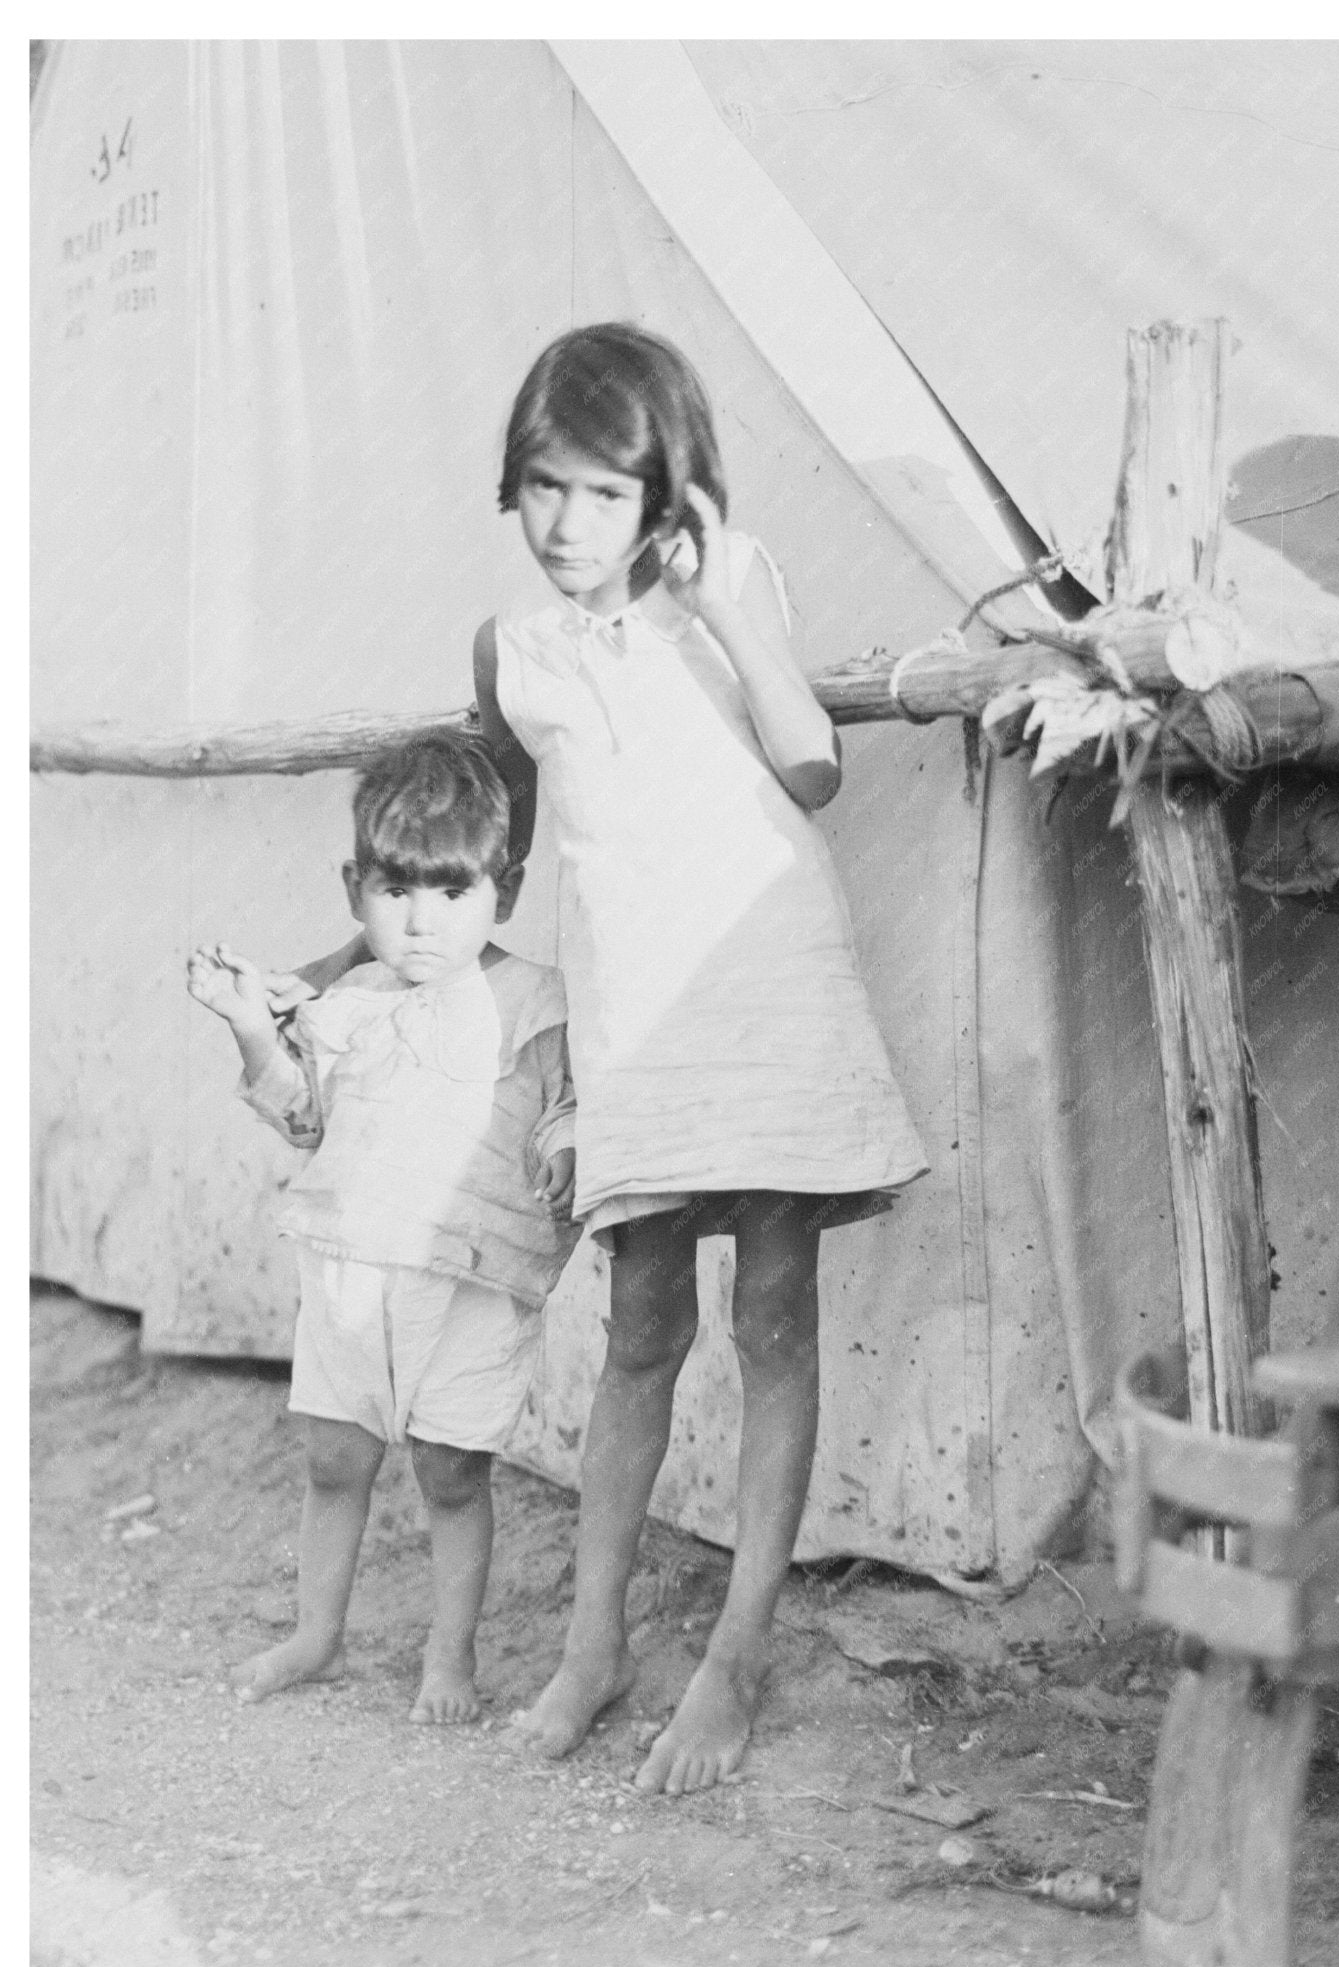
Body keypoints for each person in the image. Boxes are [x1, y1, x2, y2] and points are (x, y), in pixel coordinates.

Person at [474, 322, 927, 1793]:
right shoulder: (513, 653)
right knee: (642, 1329)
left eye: (604, 494)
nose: (564, 524)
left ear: (670, 493)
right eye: (544, 486)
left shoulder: (735, 586)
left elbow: (813, 766)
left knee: (776, 1313)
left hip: (767, 979)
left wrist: (731, 610)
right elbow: (505, 857)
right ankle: (594, 1645)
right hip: (636, 1020)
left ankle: (736, 1660)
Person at [188, 732, 581, 1725]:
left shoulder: (532, 1000)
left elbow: (575, 1100)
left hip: (468, 1282)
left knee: (451, 1471)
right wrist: (247, 1024)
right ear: (354, 885)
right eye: (395, 891)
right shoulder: (348, 1001)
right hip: (350, 1268)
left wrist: (568, 1139)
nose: (418, 923)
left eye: (451, 893)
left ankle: (449, 1652)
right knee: (335, 1457)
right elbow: (303, 1117)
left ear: (507, 886)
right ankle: (317, 1634)